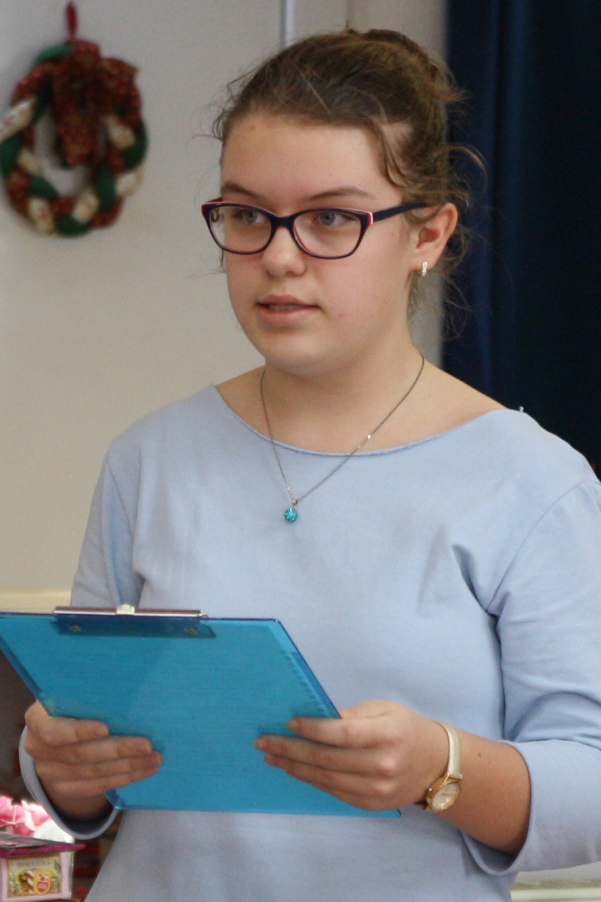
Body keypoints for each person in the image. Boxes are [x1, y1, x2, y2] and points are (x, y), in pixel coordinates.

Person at [19, 29, 601, 902]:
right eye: (248, 215)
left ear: (427, 234)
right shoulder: (150, 456)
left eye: (330, 217)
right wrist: (63, 770)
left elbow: (590, 788)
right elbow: (81, 759)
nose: (279, 256)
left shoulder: (531, 480)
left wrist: (438, 766)